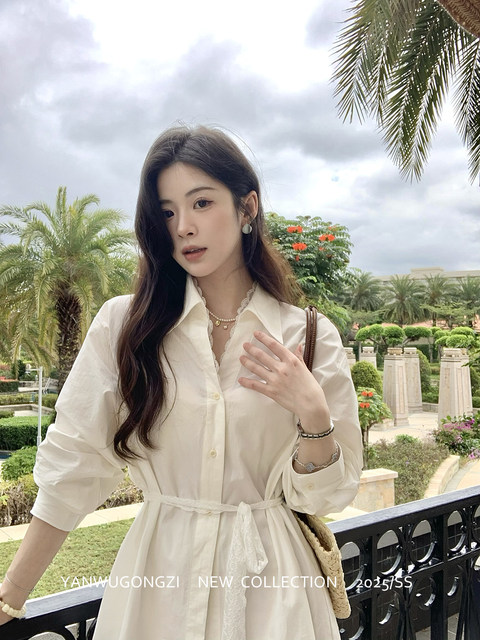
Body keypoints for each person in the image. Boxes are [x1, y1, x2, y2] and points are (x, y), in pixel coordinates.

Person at [0, 125, 363, 640]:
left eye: (201, 203)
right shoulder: (125, 327)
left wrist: (314, 415)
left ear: (247, 208)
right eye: (167, 212)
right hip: (157, 586)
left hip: (273, 591)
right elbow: (74, 466)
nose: (184, 227)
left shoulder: (306, 334)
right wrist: (10, 595)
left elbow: (326, 497)